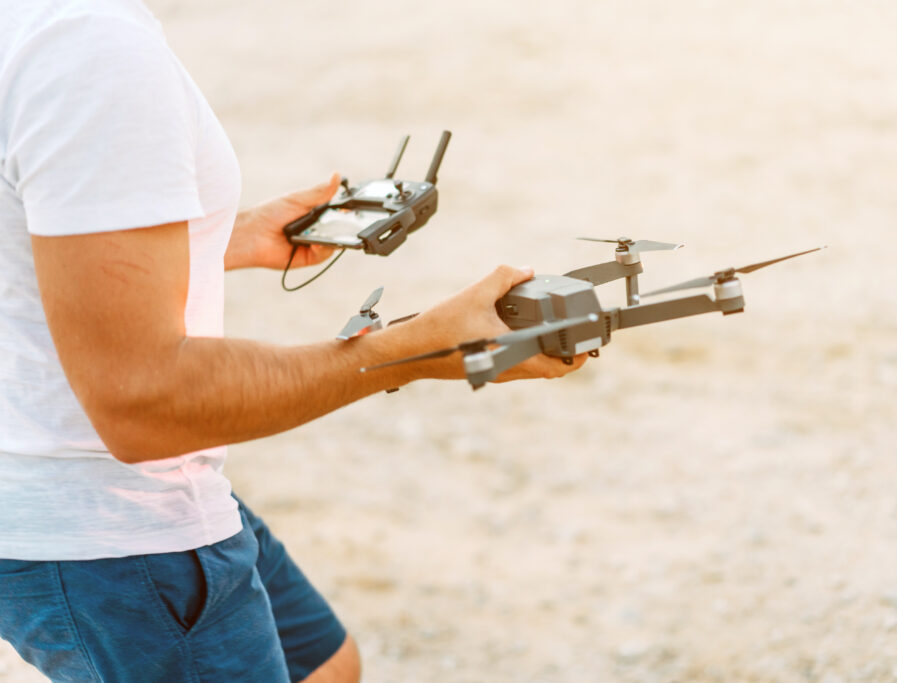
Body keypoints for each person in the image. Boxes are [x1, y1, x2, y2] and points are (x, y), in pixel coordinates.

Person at [0, 1, 587, 681]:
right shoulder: (89, 47)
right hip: (113, 528)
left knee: (327, 666)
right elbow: (146, 399)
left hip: (45, 488)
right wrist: (414, 349)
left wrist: (221, 236)